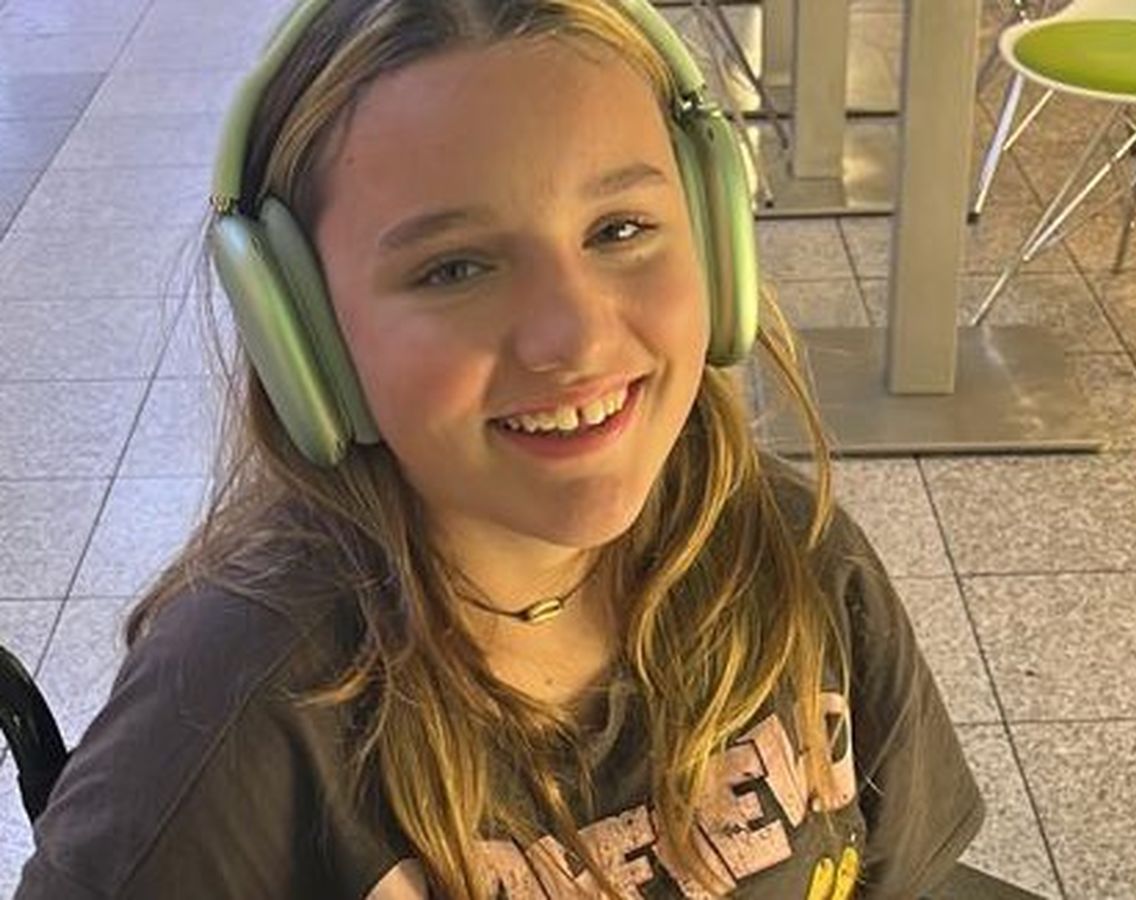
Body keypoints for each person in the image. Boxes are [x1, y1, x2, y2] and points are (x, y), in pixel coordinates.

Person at [14, 0, 984, 897]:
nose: (575, 337)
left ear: (713, 236)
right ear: (305, 336)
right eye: (454, 269)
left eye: (619, 228)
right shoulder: (230, 718)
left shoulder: (792, 553)